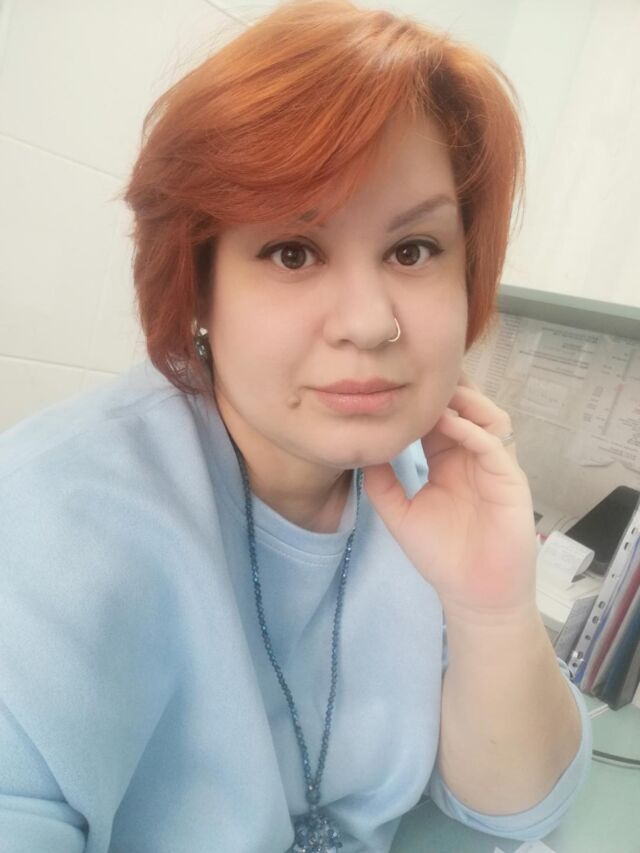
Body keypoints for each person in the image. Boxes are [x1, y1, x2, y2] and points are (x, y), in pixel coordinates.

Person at [0, 1, 592, 851]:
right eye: (293, 251)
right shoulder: (42, 528)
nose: (370, 322)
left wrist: (491, 607)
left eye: (413, 249)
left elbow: (518, 807)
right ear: (198, 286)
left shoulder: (427, 486)